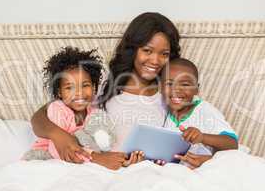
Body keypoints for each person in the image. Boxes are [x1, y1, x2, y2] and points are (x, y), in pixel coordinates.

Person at [31, 12, 181, 168]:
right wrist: (58, 135)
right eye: (147, 51)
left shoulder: (169, 95)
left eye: (164, 54)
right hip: (97, 165)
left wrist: (146, 161)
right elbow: (39, 117)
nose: (155, 61)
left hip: (137, 169)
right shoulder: (104, 85)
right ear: (133, 49)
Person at [24, 47, 126, 170]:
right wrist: (96, 158)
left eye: (85, 85)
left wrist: (121, 158)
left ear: (94, 87)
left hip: (78, 161)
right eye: (69, 87)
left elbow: (99, 143)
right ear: (59, 92)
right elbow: (60, 149)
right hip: (46, 156)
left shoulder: (93, 112)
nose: (79, 93)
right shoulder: (57, 110)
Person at [160, 58, 238, 169]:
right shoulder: (162, 110)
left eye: (185, 85)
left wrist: (202, 137)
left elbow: (232, 143)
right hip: (175, 170)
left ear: (196, 89)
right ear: (160, 87)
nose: (176, 90)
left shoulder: (205, 111)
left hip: (204, 169)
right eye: (169, 84)